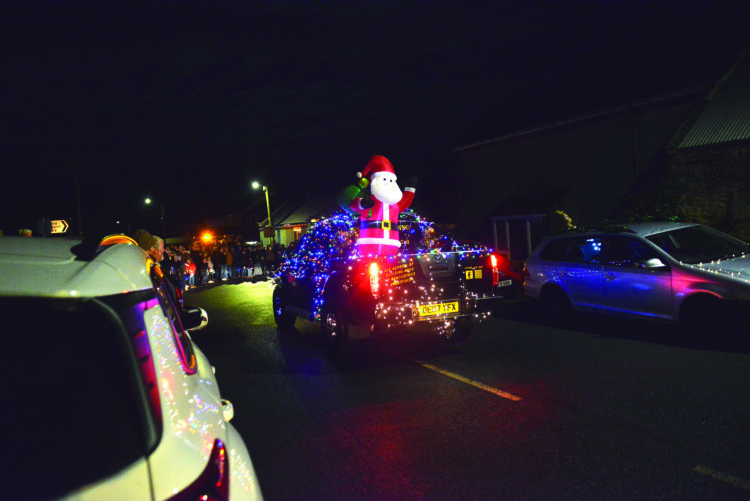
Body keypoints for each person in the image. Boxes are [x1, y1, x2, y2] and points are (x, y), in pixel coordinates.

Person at [348, 155, 417, 256]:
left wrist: (410, 188)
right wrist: (362, 203)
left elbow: (404, 202)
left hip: (391, 245)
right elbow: (354, 205)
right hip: (369, 243)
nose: (388, 183)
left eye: (391, 181)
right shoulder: (370, 200)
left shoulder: (394, 205)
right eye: (384, 180)